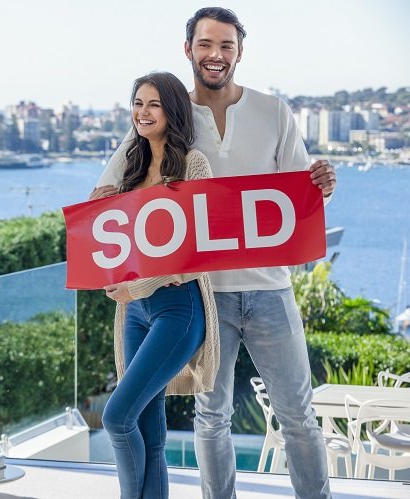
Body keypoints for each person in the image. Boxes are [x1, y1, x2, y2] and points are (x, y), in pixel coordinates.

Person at [97, 7, 338, 499]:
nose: (215, 55)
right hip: (206, 296)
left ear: (239, 52)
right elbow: (112, 189)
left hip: (271, 289)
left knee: (298, 414)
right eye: (206, 44)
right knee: (212, 416)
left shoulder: (274, 111)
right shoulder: (168, 110)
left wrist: (323, 186)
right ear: (188, 49)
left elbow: (298, 193)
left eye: (226, 46)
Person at [91, 71, 220, 499]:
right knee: (148, 427)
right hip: (133, 311)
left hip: (177, 309)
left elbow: (194, 253)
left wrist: (139, 288)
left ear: (172, 111)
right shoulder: (131, 165)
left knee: (116, 417)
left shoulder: (193, 164)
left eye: (153, 105)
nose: (142, 113)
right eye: (137, 103)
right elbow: (114, 237)